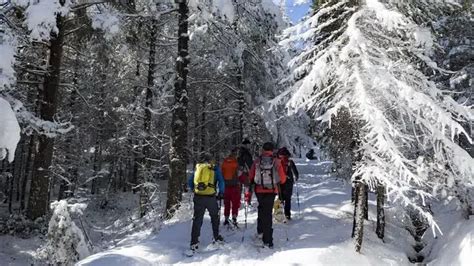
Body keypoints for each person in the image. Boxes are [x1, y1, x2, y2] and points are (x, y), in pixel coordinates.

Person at [248, 142, 286, 248]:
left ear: (263, 149)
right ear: (272, 150)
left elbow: (251, 176)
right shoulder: (276, 162)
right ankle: (268, 240)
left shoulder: (257, 161)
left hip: (259, 190)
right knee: (267, 213)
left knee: (261, 208)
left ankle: (260, 231)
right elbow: (282, 179)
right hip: (271, 191)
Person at [187, 153, 225, 253]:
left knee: (197, 219)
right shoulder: (214, 169)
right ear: (210, 160)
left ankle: (194, 242)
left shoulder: (198, 168)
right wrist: (221, 192)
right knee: (214, 217)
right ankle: (216, 237)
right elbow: (221, 181)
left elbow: (190, 181)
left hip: (198, 197)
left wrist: (194, 189)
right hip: (211, 197)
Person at [221, 148, 244, 227]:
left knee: (226, 203)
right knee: (235, 203)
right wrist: (247, 183)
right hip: (235, 187)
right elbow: (240, 175)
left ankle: (226, 218)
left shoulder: (224, 163)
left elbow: (221, 175)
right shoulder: (236, 163)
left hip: (226, 186)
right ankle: (234, 218)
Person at [278, 147, 299, 220]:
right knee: (288, 199)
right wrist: (296, 178)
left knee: (280, 198)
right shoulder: (290, 162)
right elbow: (295, 172)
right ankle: (287, 215)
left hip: (280, 182)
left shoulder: (278, 161)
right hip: (289, 182)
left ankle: (279, 214)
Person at [239, 139, 254, 204]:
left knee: (239, 188)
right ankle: (247, 201)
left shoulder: (239, 152)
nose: (250, 146)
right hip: (245, 172)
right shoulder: (246, 153)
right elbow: (250, 164)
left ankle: (237, 201)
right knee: (248, 186)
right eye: (248, 144)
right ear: (246, 145)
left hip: (237, 172)